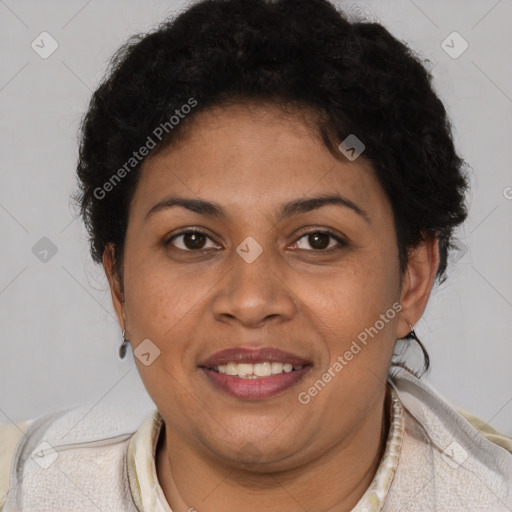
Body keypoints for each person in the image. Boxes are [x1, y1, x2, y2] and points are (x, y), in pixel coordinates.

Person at [1, 0, 511, 510]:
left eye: (318, 240)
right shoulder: (25, 487)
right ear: (119, 286)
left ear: (412, 280)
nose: (250, 301)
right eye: (193, 240)